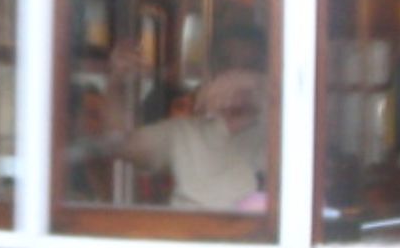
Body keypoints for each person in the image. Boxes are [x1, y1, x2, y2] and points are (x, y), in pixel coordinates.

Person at [98, 24, 271, 212]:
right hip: (186, 236)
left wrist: (257, 88)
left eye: (249, 67)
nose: (236, 75)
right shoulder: (184, 132)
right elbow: (120, 145)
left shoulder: (282, 133)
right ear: (212, 70)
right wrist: (117, 82)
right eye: (227, 64)